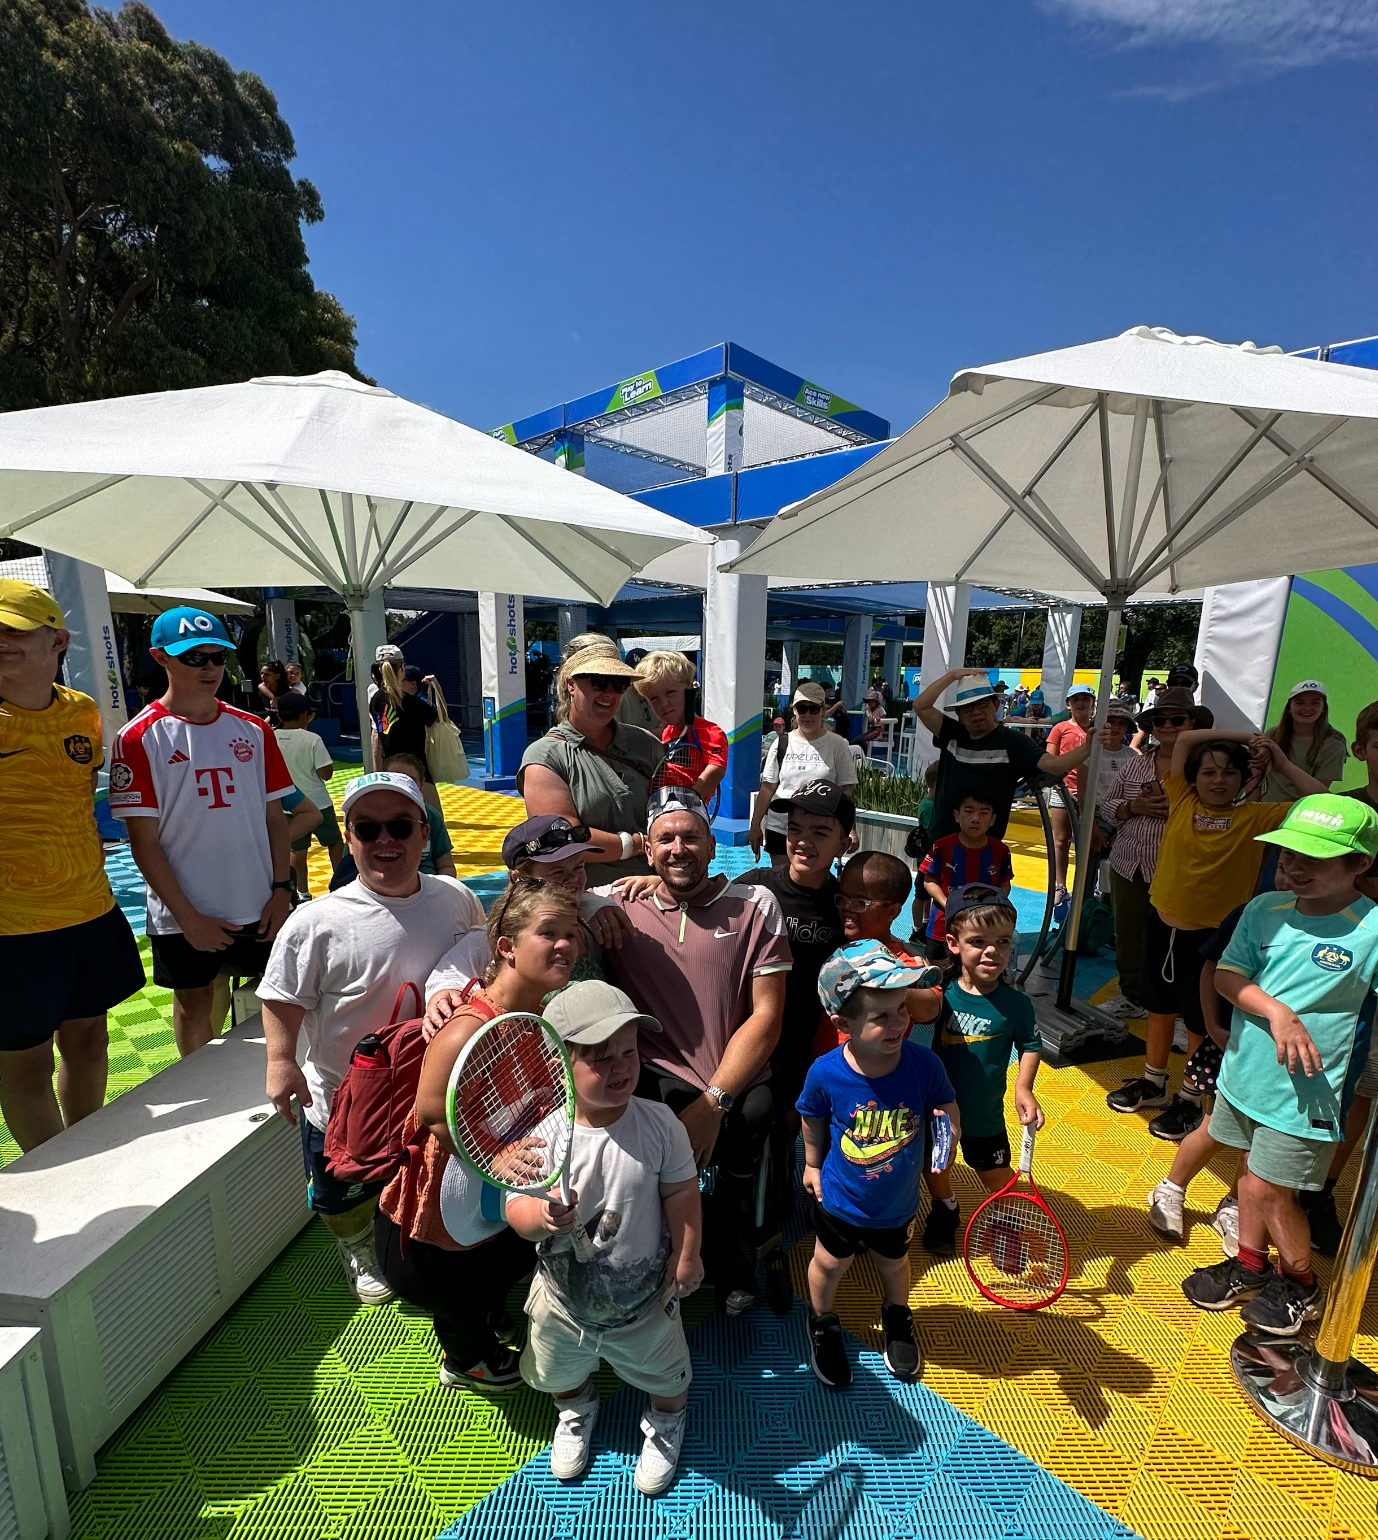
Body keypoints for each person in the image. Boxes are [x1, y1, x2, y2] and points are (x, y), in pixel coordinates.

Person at [258, 770, 487, 1303]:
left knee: (415, 1174)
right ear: (349, 835)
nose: (386, 841)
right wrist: (280, 1060)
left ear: (424, 834)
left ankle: (405, 1232)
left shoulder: (455, 898)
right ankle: (357, 1246)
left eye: (401, 827)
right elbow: (281, 995)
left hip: (426, 1094)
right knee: (340, 1191)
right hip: (343, 1098)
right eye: (368, 829)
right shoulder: (317, 921)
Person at [1180, 796, 1378, 1334]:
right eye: (1288, 854)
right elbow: (1227, 975)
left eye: (1313, 859)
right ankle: (1250, 1264)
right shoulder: (1265, 909)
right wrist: (1278, 1012)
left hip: (1309, 1094)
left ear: (1359, 864)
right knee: (1248, 1175)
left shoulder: (1372, 929)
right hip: (1246, 1076)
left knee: (1271, 1188)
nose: (1294, 868)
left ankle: (1302, 1285)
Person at [598, 787, 790, 1313]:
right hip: (658, 1071)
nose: (678, 848)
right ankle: (658, 1253)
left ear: (711, 843)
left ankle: (731, 1252)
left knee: (753, 1116)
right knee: (644, 1140)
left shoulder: (755, 906)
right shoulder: (617, 903)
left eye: (690, 836)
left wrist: (713, 1103)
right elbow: (540, 896)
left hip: (734, 1075)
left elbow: (767, 1017)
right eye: (665, 839)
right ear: (648, 847)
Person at [379, 881, 578, 1390]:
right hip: (443, 1192)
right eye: (548, 933)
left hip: (489, 1179)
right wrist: (495, 1155)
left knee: (499, 1260)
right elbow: (431, 1116)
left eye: (570, 934)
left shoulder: (536, 1013)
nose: (565, 945)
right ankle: (466, 1360)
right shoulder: (466, 1027)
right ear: (506, 948)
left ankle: (483, 1319)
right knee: (459, 1285)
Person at [508, 981, 703, 1494]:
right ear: (559, 1063)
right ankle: (576, 1406)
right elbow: (516, 1208)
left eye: (629, 1052)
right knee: (555, 1372)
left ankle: (665, 1421)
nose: (621, 1068)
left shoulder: (661, 1125)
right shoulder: (546, 1134)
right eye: (600, 1058)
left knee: (667, 1376)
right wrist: (541, 1218)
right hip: (562, 1302)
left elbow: (682, 1195)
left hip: (644, 1299)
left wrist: (687, 1256)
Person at [1107, 725, 1327, 1141]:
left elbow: (1322, 802)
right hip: (1162, 922)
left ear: (1246, 780)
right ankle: (1154, 1082)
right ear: (1193, 779)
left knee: (1199, 1023)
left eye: (1229, 773)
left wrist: (1277, 759)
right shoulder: (1182, 797)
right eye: (1208, 772)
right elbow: (1187, 741)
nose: (1218, 780)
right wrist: (1246, 735)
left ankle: (1190, 1099)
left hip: (1211, 939)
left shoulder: (1256, 817)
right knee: (1158, 1007)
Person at [0, 579, 145, 1152]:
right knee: (24, 1066)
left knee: (89, 1040)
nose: (2, 640)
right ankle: (56, 1174)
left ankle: (87, 1152)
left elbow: (80, 794)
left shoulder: (82, 713)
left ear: (57, 640)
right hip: (12, 926)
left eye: (14, 629)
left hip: (89, 908)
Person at [113, 606, 296, 1056]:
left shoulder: (253, 730)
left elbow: (276, 819)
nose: (210, 667)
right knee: (195, 1005)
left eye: (218, 656)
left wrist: (280, 889)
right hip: (183, 912)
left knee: (276, 1001)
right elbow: (144, 841)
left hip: (259, 901)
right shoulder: (137, 738)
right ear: (162, 658)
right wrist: (188, 917)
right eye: (195, 657)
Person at [800, 942, 960, 1387]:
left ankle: (897, 1315)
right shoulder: (826, 1072)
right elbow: (811, 1118)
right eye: (881, 1017)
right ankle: (822, 1320)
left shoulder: (923, 1064)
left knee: (895, 1263)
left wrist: (947, 1131)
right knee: (829, 1264)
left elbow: (944, 1101)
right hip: (840, 1200)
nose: (899, 1023)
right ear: (842, 1024)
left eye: (902, 1009)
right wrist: (812, 1165)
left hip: (898, 1202)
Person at [921, 885, 1043, 1251]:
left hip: (984, 1114)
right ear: (953, 943)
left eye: (1003, 941)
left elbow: (1031, 1046)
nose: (992, 951)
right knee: (937, 1166)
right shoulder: (938, 994)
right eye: (978, 941)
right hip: (939, 1108)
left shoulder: (1017, 1004)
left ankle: (1005, 1218)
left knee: (995, 1175)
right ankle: (945, 1208)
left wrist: (1024, 1087)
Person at [423, 814, 629, 1003]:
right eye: (557, 872)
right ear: (518, 879)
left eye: (579, 867)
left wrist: (653, 881)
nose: (573, 879)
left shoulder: (588, 915)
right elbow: (444, 978)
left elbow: (615, 890)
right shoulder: (493, 936)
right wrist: (442, 994)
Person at [741, 781, 850, 1114]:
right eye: (794, 829)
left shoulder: (844, 906)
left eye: (819, 832)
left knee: (793, 1124)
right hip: (750, 1031)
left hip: (807, 1040)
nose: (803, 841)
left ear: (843, 843)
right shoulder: (755, 886)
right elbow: (704, 897)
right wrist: (658, 882)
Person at [1100, 688, 1208, 1021]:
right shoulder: (1136, 764)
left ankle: (1172, 1009)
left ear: (1192, 723)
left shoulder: (1205, 766)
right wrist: (1134, 806)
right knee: (1129, 935)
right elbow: (1107, 806)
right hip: (1128, 863)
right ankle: (1131, 995)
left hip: (1179, 867)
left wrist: (1177, 812)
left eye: (1177, 719)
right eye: (1160, 719)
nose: (1168, 725)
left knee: (1177, 942)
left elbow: (1220, 811)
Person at [519, 635, 660, 881]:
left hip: (657, 889)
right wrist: (638, 844)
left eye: (618, 683)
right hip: (589, 900)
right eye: (599, 681)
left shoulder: (646, 743)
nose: (610, 692)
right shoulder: (545, 756)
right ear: (570, 684)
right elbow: (562, 836)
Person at [912, 668, 1092, 849]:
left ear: (995, 705)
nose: (975, 712)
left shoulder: (1014, 742)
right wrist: (952, 676)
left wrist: (1088, 746)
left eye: (982, 704)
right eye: (968, 707)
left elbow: (1054, 765)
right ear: (958, 713)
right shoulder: (951, 732)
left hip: (985, 850)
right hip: (940, 843)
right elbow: (920, 706)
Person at [750, 683, 858, 865]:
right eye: (802, 708)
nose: (807, 715)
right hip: (781, 826)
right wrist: (755, 826)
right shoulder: (781, 743)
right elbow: (768, 788)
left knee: (812, 883)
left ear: (823, 711)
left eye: (814, 709)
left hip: (820, 829)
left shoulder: (837, 744)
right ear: (794, 711)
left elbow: (845, 791)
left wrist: (850, 828)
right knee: (782, 882)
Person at [917, 792, 1014, 961]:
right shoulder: (942, 846)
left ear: (992, 819)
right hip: (942, 926)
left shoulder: (1001, 851)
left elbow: (1004, 884)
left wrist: (991, 906)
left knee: (972, 973)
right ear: (957, 815)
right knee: (937, 973)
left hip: (982, 930)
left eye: (984, 813)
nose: (976, 818)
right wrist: (949, 904)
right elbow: (929, 881)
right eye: (969, 811)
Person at [633, 649, 728, 804]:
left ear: (690, 690)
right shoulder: (667, 733)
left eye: (670, 692)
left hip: (690, 812)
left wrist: (687, 801)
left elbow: (716, 770)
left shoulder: (710, 732)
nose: (663, 704)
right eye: (654, 698)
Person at [275, 692, 343, 895]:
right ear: (305, 715)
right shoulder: (312, 739)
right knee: (335, 842)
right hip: (319, 803)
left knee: (297, 849)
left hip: (287, 804)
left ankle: (303, 892)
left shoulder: (270, 737)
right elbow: (326, 773)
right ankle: (340, 884)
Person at [1042, 683, 1096, 902]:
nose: (1081, 703)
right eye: (1076, 700)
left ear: (1093, 702)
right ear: (1068, 704)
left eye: (1085, 699)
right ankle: (1060, 885)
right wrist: (1061, 786)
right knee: (1060, 841)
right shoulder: (1060, 728)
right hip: (1063, 789)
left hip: (1092, 792)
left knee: (1090, 841)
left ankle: (1086, 886)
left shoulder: (1100, 729)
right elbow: (1050, 761)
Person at [369, 650, 440, 809]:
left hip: (390, 771)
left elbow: (377, 741)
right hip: (416, 770)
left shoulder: (376, 700)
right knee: (434, 821)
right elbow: (438, 718)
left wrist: (378, 774)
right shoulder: (413, 703)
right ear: (402, 669)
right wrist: (436, 688)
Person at [1261, 680, 1347, 803]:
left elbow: (1318, 795)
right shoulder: (1274, 734)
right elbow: (1256, 774)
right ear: (1289, 708)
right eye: (1300, 703)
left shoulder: (1333, 744)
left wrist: (1283, 765)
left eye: (1315, 703)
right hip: (1262, 808)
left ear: (1323, 709)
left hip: (1298, 813)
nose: (1307, 708)